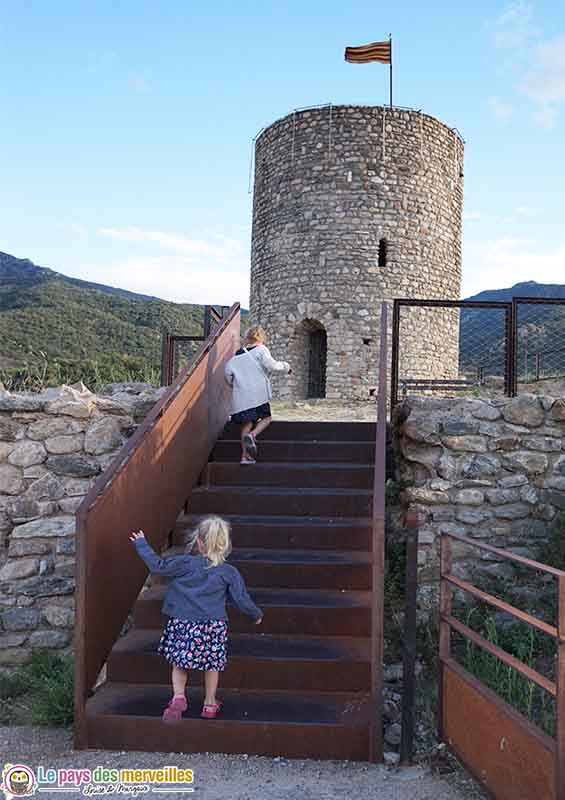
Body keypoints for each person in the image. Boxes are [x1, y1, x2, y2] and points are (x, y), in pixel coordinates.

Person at [130, 516, 263, 724]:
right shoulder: (228, 572)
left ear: (199, 541)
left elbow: (158, 566)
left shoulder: (184, 564)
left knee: (179, 662)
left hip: (183, 623)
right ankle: (209, 704)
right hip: (213, 626)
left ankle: (179, 696)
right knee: (212, 666)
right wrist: (256, 615)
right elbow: (241, 600)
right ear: (225, 544)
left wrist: (142, 544)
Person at [225, 325, 291, 464]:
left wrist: (235, 384)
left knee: (246, 424)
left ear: (247, 338)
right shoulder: (261, 349)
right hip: (257, 395)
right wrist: (286, 367)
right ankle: (253, 434)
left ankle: (245, 457)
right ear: (261, 337)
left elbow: (228, 374)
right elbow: (271, 365)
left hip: (241, 397)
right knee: (267, 418)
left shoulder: (237, 355)